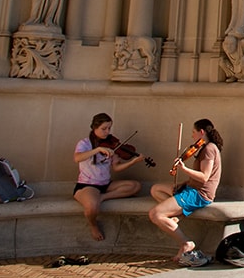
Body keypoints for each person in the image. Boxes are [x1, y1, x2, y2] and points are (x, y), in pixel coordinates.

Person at [148, 118, 223, 266]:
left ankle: (186, 243)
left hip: (198, 194)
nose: (192, 136)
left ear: (202, 132)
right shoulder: (205, 148)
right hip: (191, 188)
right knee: (156, 189)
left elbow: (204, 177)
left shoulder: (209, 149)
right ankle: (177, 215)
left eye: (193, 132)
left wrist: (183, 169)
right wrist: (184, 183)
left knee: (155, 214)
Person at [73, 113, 143, 241]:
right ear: (95, 128)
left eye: (109, 128)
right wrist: (97, 149)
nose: (107, 132)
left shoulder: (111, 145)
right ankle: (93, 225)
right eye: (104, 129)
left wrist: (132, 162)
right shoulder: (85, 143)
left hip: (106, 184)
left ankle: (102, 197)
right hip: (88, 185)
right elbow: (77, 158)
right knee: (91, 207)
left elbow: (116, 167)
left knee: (135, 186)